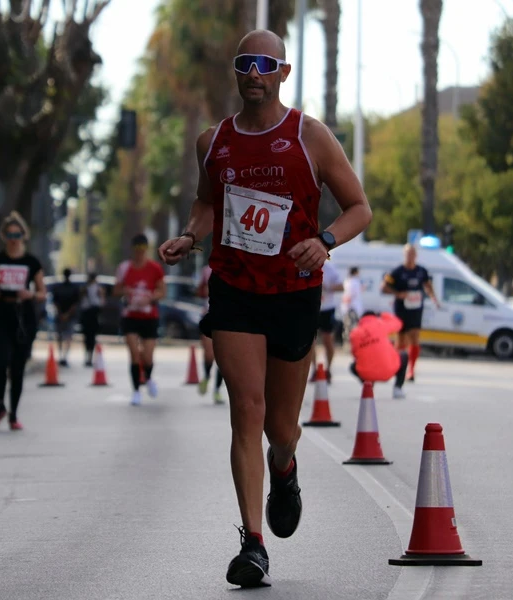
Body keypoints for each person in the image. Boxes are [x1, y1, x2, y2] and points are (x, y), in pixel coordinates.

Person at [158, 30, 371, 588]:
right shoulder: (214, 141)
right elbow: (209, 200)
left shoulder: (309, 136)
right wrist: (189, 235)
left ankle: (286, 468)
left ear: (282, 71)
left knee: (281, 427)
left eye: (264, 64)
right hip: (234, 289)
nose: (254, 73)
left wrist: (324, 240)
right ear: (236, 73)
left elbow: (359, 208)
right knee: (246, 409)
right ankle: (253, 544)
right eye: (244, 64)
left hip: (294, 293)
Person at [0, 212, 46, 431]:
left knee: (17, 368)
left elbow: (42, 293)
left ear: (23, 236)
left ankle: (13, 414)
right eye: (9, 234)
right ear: (4, 236)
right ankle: (0, 405)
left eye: (17, 234)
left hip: (23, 316)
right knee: (0, 363)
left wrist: (30, 295)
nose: (13, 238)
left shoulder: (32, 262)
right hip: (1, 312)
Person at [115, 233, 166, 406]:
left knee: (148, 356)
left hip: (149, 317)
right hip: (130, 316)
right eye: (137, 250)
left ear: (147, 250)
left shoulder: (155, 268)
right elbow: (116, 290)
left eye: (143, 250)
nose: (140, 253)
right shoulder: (124, 268)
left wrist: (151, 297)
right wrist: (126, 291)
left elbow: (162, 291)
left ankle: (149, 378)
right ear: (133, 250)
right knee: (134, 354)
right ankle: (136, 390)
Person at [382, 244, 441, 382]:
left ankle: (411, 370)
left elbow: (428, 285)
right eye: (408, 254)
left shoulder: (422, 271)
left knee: (414, 337)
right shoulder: (397, 271)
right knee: (401, 340)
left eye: (412, 254)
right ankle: (397, 367)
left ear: (416, 255)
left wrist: (433, 298)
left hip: (416, 308)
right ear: (404, 255)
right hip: (401, 309)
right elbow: (384, 287)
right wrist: (398, 293)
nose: (410, 256)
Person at [348, 311, 410, 399]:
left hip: (367, 374)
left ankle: (369, 388)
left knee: (353, 366)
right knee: (404, 355)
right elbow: (398, 323)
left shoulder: (355, 333)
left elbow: (355, 354)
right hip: (388, 370)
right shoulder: (380, 324)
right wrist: (383, 314)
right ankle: (398, 388)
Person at [195, 264, 225, 404]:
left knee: (223, 358)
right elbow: (199, 291)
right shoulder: (207, 270)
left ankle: (217, 390)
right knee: (209, 353)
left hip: (228, 318)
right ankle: (206, 376)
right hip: (209, 314)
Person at [312, 260, 345, 381]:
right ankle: (315, 370)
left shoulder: (330, 268)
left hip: (327, 308)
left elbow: (341, 287)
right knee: (310, 342)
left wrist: (328, 287)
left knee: (328, 340)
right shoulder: (306, 263)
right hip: (312, 308)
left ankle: (328, 370)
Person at [50, 268, 81, 367]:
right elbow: (75, 303)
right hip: (67, 316)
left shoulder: (58, 287)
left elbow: (55, 302)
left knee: (61, 336)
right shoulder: (73, 288)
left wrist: (62, 314)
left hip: (64, 315)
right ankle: (64, 356)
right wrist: (66, 314)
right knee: (67, 337)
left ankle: (62, 356)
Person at [79, 272, 106, 367]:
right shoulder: (87, 289)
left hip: (91, 314)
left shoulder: (97, 289)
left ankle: (89, 356)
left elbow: (101, 302)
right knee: (90, 336)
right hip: (90, 314)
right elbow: (102, 302)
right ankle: (88, 356)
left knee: (89, 336)